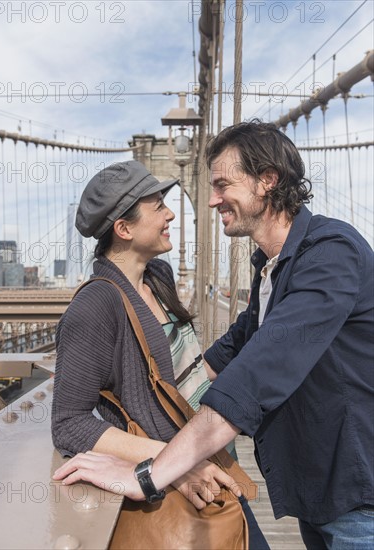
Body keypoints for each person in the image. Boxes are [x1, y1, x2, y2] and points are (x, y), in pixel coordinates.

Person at [54, 122, 374, 549]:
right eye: (158, 206)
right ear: (123, 229)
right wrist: (165, 452)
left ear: (267, 180)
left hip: (357, 490)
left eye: (223, 184)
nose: (209, 200)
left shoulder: (332, 254)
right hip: (311, 488)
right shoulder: (273, 265)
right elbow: (236, 345)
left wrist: (151, 472)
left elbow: (262, 367)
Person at [51, 160, 268, 548]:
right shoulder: (96, 305)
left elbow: (186, 367)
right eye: (157, 206)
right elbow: (69, 421)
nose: (170, 214)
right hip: (180, 482)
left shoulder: (158, 276)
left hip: (213, 461)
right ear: (124, 228)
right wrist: (173, 463)